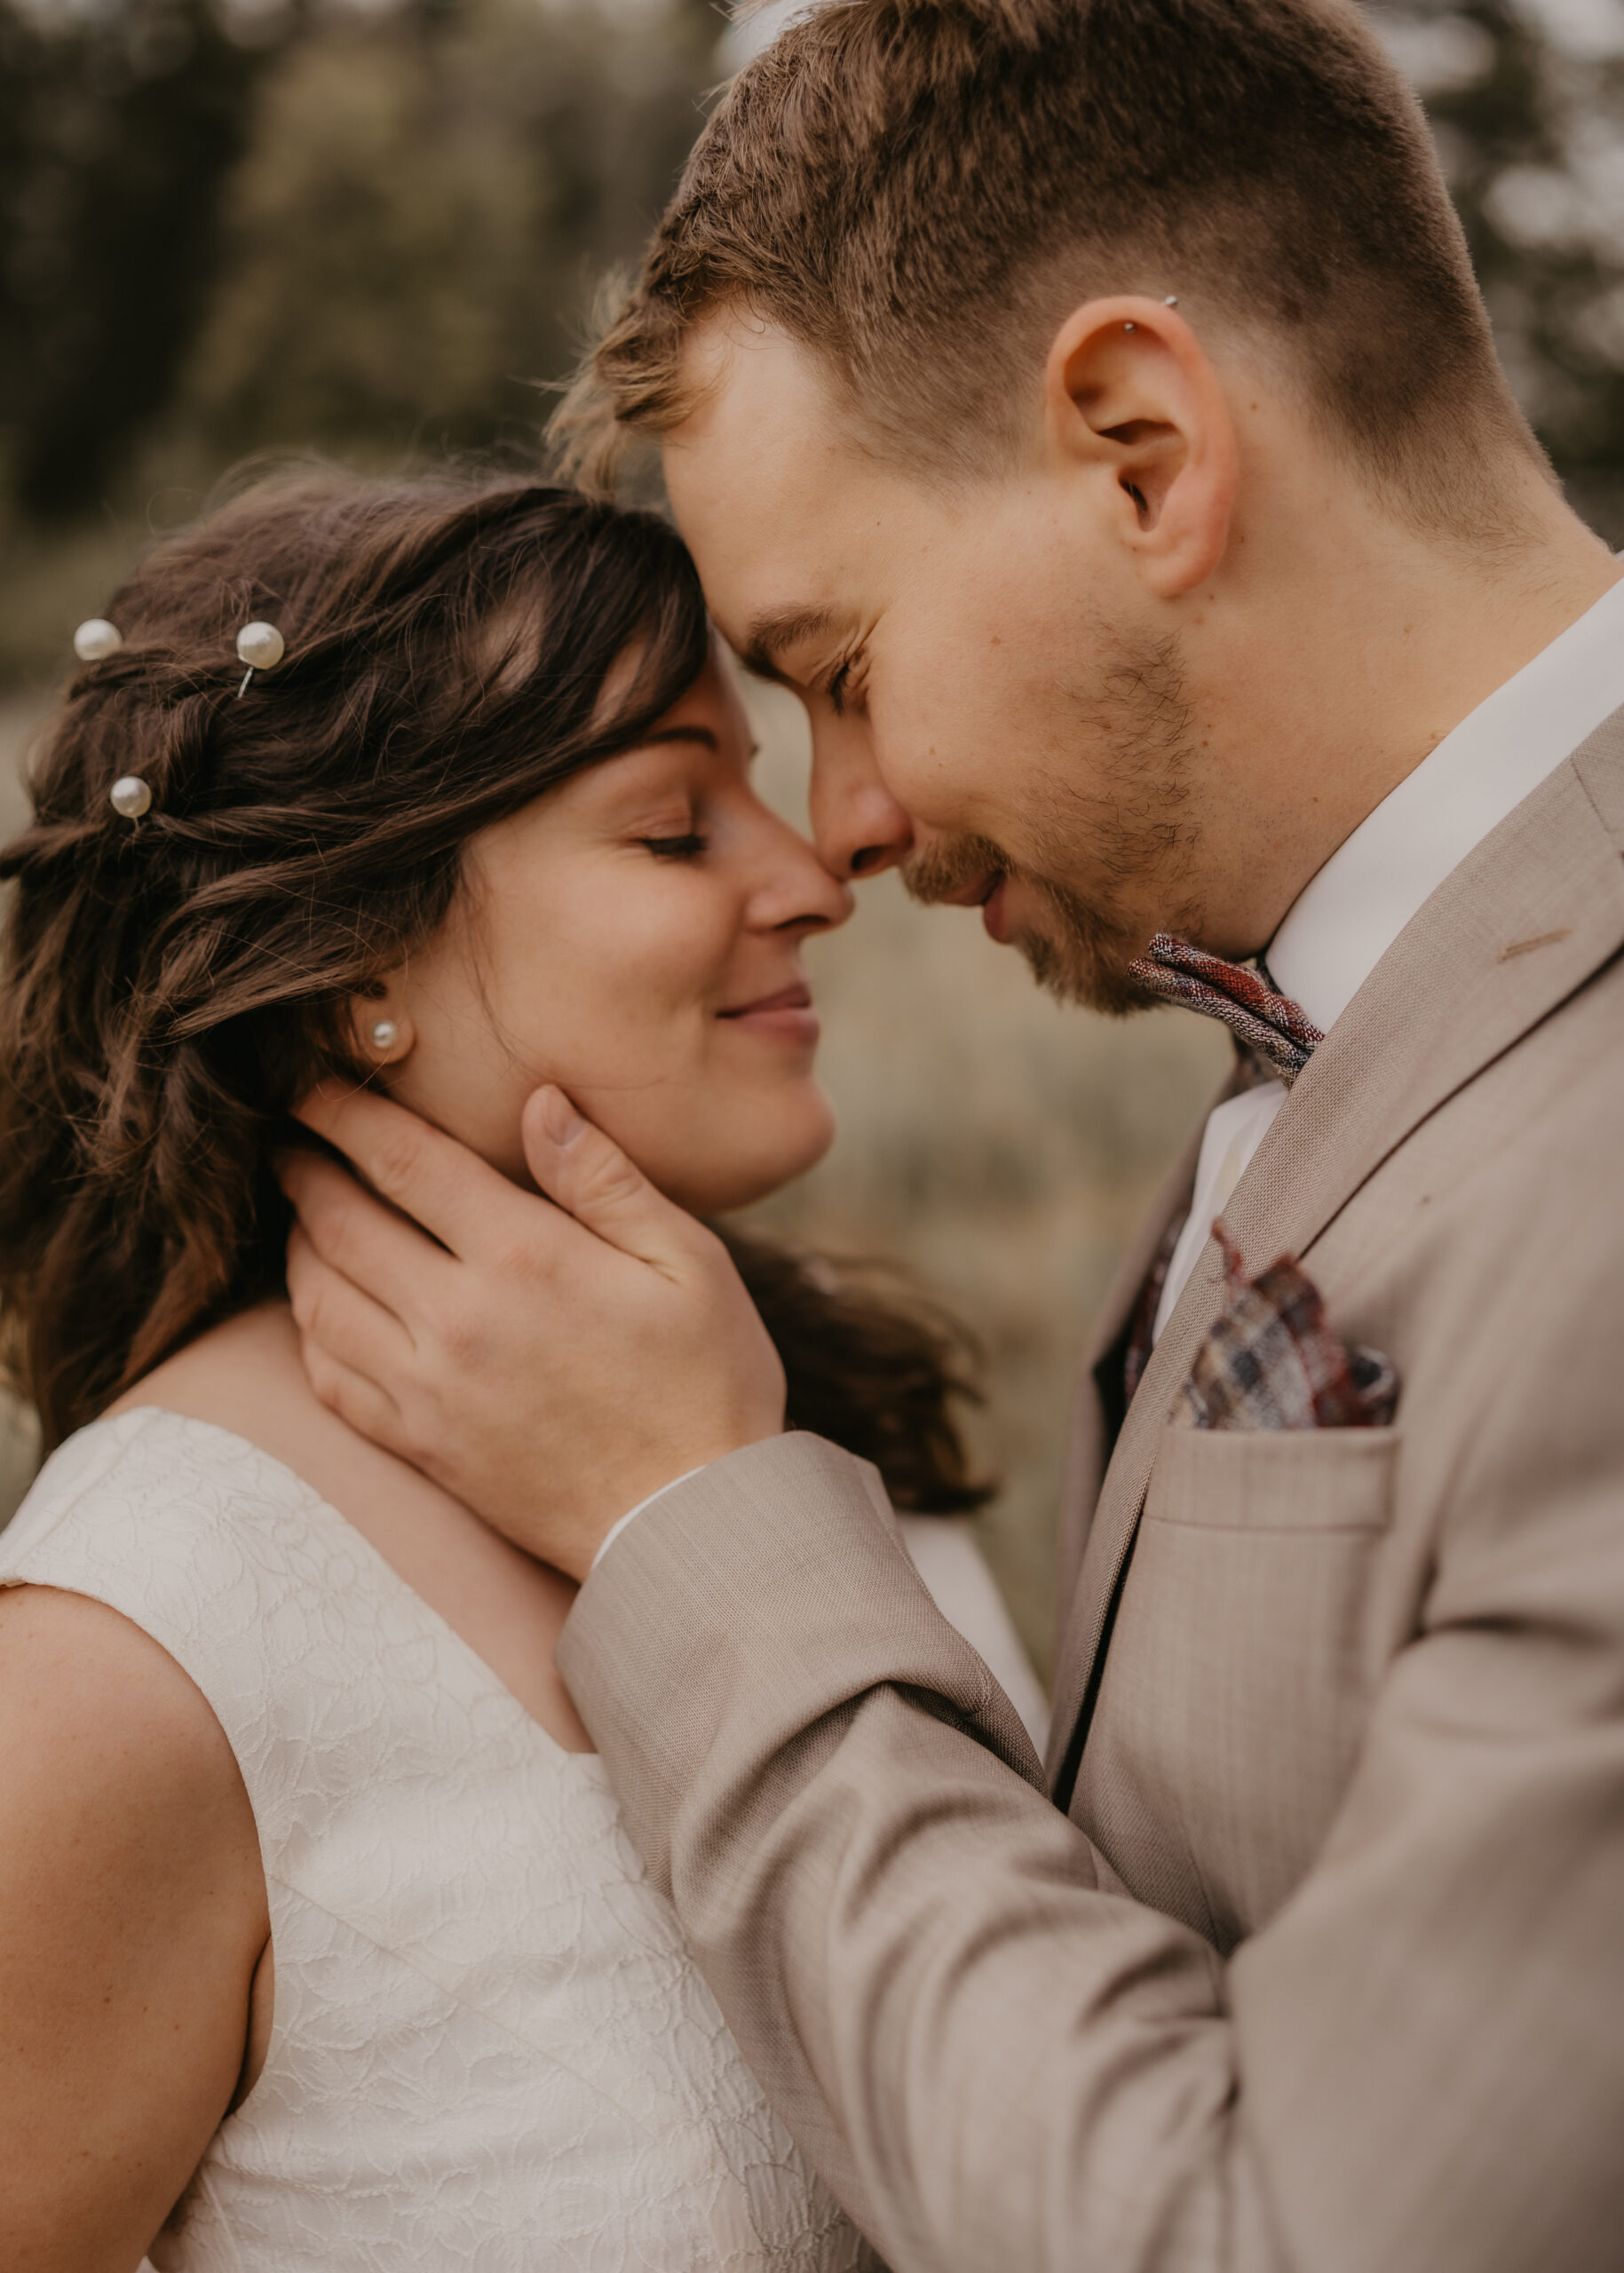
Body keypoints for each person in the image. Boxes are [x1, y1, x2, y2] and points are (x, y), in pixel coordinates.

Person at [277, 0, 1624, 2267]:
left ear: (1138, 448)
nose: (853, 823)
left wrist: (683, 1523)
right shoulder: (1350, 1013)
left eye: (837, 663)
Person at [0, 467, 1037, 2269]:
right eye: (673, 823)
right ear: (360, 963)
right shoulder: (136, 1647)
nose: (810, 876)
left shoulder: (812, 1410)